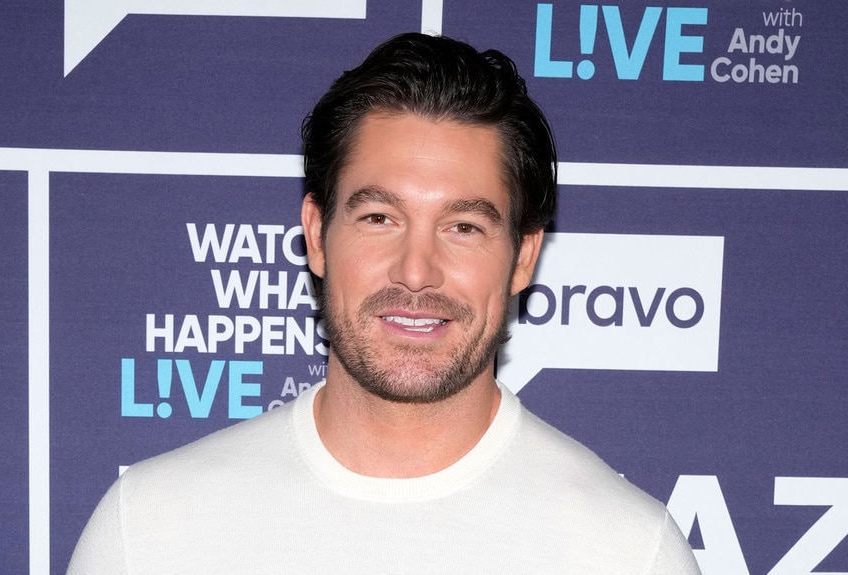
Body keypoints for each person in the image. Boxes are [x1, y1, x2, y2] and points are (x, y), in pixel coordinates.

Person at [68, 32, 701, 574]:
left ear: (525, 256)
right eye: (379, 217)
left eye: (464, 227)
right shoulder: (150, 531)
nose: (416, 272)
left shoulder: (627, 552)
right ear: (317, 235)